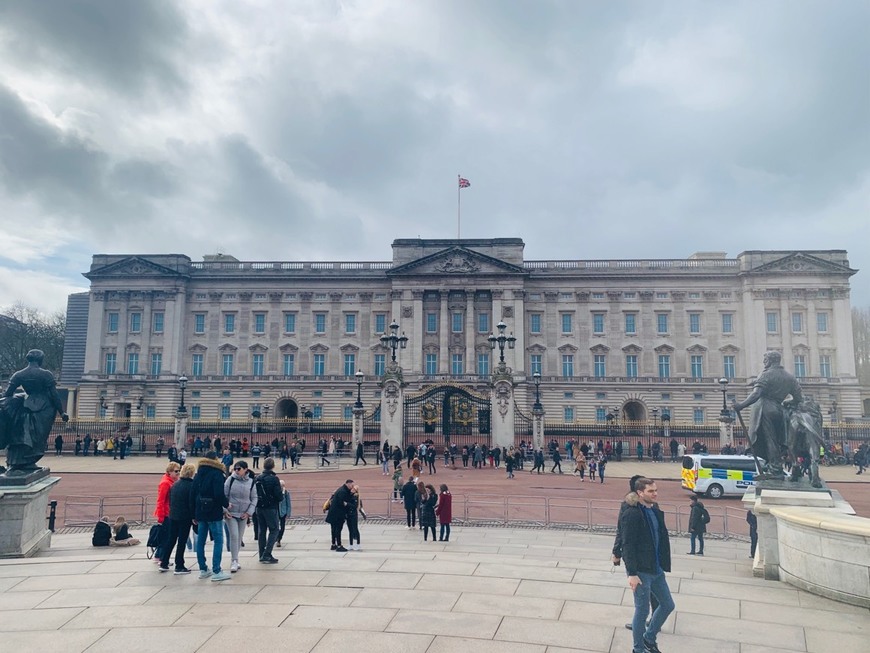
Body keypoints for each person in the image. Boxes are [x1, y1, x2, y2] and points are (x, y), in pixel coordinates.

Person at [619, 478, 675, 653]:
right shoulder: (632, 513)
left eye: (656, 490)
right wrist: (632, 573)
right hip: (641, 572)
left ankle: (649, 638)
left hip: (656, 569)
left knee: (667, 605)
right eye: (651, 491)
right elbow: (627, 544)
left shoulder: (655, 510)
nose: (655, 493)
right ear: (640, 493)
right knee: (642, 612)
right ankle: (638, 649)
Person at [733, 351, 803, 479]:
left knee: (769, 440)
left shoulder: (766, 374)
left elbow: (756, 394)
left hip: (765, 409)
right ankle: (772, 464)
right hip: (780, 410)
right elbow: (798, 398)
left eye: (765, 360)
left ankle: (775, 469)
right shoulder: (790, 377)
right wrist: (786, 402)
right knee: (776, 441)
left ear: (771, 360)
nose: (764, 362)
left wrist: (741, 405)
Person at [0, 349, 69, 475]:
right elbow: (54, 395)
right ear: (40, 359)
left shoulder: (19, 374)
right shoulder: (45, 374)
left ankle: (19, 462)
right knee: (37, 436)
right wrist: (62, 412)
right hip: (44, 407)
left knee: (23, 433)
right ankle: (26, 462)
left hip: (26, 404)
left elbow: (7, 394)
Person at [190, 451, 231, 581]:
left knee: (201, 541)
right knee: (218, 540)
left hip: (200, 511)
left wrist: (193, 513)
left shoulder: (198, 474)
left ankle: (203, 569)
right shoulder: (217, 473)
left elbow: (192, 495)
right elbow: (219, 494)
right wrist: (226, 505)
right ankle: (216, 570)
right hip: (213, 511)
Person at [163, 462, 196, 574]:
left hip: (173, 515)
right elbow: (192, 503)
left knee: (171, 539)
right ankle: (179, 565)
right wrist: (194, 516)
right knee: (182, 541)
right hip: (185, 517)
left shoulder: (175, 484)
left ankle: (164, 562)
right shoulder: (191, 485)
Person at [224, 460, 256, 573]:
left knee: (239, 537)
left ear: (245, 469)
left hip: (243, 514)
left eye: (239, 469)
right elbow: (224, 495)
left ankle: (236, 559)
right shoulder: (230, 479)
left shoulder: (251, 482)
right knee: (234, 535)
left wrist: (249, 513)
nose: (237, 471)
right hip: (231, 513)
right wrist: (225, 509)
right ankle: (234, 560)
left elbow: (254, 498)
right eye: (235, 469)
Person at [255, 457, 283, 564]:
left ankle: (261, 553)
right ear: (273, 466)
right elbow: (278, 495)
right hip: (271, 507)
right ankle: (267, 553)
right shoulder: (274, 478)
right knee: (274, 529)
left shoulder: (258, 478)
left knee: (262, 531)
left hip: (259, 507)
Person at [154, 461, 180, 568]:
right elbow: (161, 500)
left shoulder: (171, 481)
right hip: (166, 514)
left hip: (169, 512)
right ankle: (162, 558)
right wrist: (160, 517)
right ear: (169, 472)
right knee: (167, 537)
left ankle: (159, 556)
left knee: (166, 536)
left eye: (179, 471)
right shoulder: (166, 483)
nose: (178, 473)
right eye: (176, 471)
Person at [325, 479, 354, 552]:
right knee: (338, 530)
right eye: (351, 485)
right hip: (338, 514)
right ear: (348, 484)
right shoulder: (343, 492)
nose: (352, 486)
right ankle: (339, 545)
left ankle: (333, 544)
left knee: (334, 530)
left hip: (333, 513)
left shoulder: (341, 490)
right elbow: (342, 503)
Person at [346, 484, 365, 550]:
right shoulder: (349, 494)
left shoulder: (356, 497)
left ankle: (358, 544)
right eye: (352, 489)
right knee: (350, 529)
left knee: (355, 529)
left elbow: (354, 506)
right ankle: (351, 544)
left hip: (353, 514)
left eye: (354, 489)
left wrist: (347, 504)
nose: (352, 490)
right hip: (348, 514)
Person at [277, 479, 291, 547]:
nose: (282, 487)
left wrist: (288, 513)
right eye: (280, 485)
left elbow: (288, 504)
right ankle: (276, 538)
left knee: (282, 528)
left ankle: (279, 539)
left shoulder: (286, 493)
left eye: (283, 485)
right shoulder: (276, 492)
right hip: (276, 512)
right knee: (275, 527)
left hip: (283, 512)